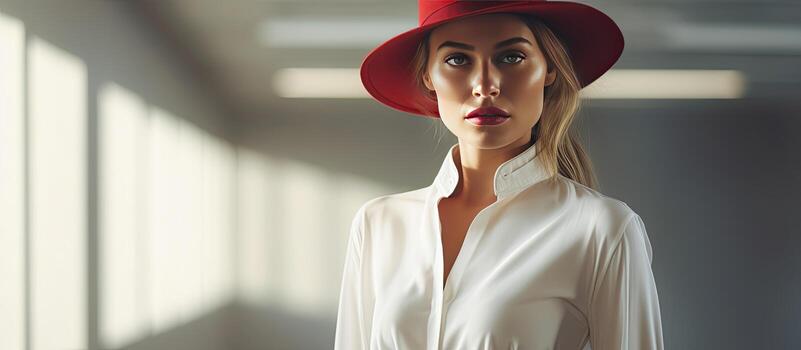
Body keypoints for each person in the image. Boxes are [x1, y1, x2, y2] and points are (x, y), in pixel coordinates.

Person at [335, 1, 664, 349]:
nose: (485, 85)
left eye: (511, 57)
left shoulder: (602, 229)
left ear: (549, 69)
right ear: (428, 76)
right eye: (457, 60)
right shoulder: (379, 223)